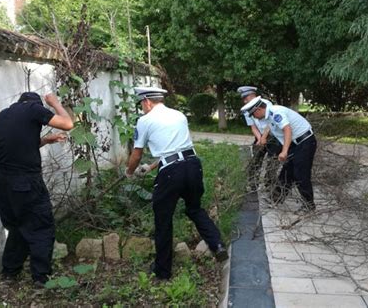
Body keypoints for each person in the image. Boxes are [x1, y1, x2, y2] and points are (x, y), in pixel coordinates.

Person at [126, 86, 228, 280]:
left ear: (147, 101)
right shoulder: (179, 115)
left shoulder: (144, 121)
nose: (142, 107)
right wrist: (150, 168)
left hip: (171, 173)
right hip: (193, 165)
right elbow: (176, 150)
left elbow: (136, 154)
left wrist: (129, 172)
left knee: (163, 220)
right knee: (195, 209)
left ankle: (162, 272)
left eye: (141, 103)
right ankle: (218, 245)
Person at [0, 92, 73, 288]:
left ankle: (10, 272)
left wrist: (46, 140)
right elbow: (68, 123)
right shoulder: (34, 109)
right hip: (26, 184)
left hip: (3, 185)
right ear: (35, 105)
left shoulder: (4, 115)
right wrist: (55, 103)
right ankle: (40, 277)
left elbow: (20, 145)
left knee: (17, 229)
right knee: (41, 228)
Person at [241, 96, 317, 214]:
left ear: (258, 110)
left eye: (253, 114)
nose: (253, 117)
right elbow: (271, 128)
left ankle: (309, 207)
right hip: (295, 144)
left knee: (300, 174)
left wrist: (284, 151)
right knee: (286, 173)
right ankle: (275, 198)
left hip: (305, 142)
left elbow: (287, 130)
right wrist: (262, 139)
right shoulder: (268, 116)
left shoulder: (275, 112)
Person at [237, 86, 281, 191]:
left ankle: (269, 185)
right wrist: (259, 138)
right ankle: (253, 183)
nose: (244, 100)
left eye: (246, 97)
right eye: (243, 98)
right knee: (256, 160)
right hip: (260, 136)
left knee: (272, 161)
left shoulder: (265, 103)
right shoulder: (246, 109)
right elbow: (253, 127)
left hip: (273, 136)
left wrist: (264, 137)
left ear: (252, 95)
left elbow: (270, 123)